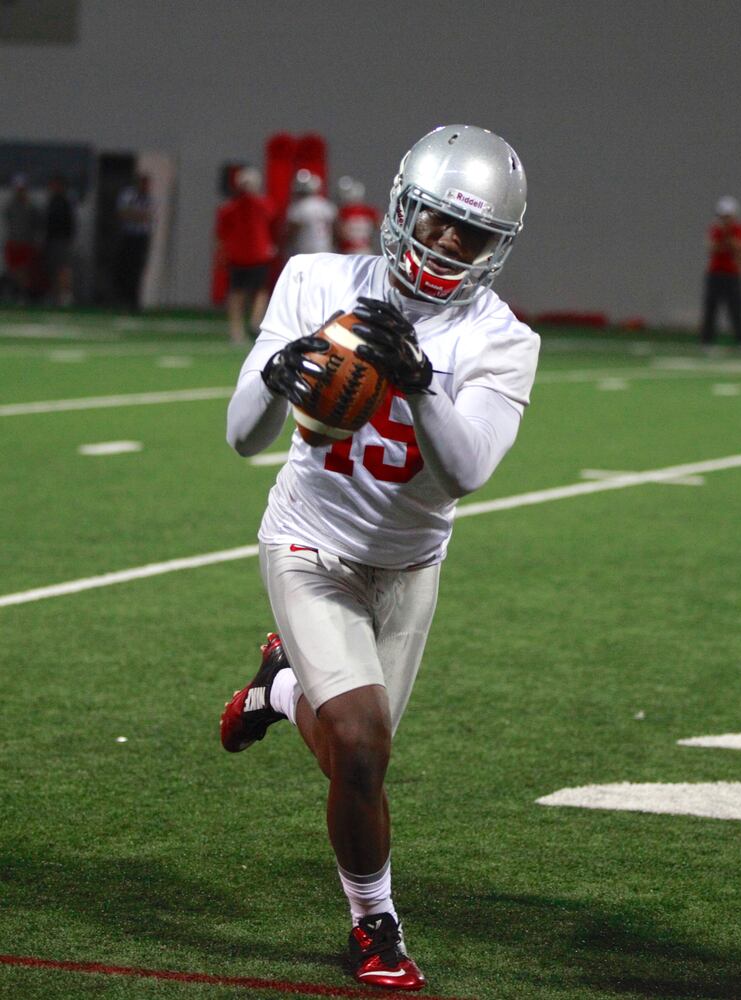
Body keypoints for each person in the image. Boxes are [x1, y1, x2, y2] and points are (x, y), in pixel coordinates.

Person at [220, 125, 537, 991]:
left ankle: (281, 689)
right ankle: (374, 920)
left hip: (407, 565)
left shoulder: (503, 339)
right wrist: (276, 372)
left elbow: (465, 471)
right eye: (434, 219)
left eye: (467, 232)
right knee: (359, 748)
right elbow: (240, 436)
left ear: (494, 248)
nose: (444, 241)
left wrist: (421, 381)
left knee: (353, 755)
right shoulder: (316, 278)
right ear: (401, 208)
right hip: (308, 541)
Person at [216, 167, 276, 343]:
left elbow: (221, 234)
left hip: (237, 255)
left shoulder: (229, 207)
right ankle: (255, 320)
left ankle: (236, 331)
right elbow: (272, 217)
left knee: (237, 293)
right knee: (260, 291)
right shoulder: (264, 204)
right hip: (258, 254)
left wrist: (221, 254)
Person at [700, 195, 741, 349]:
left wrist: (729, 240)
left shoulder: (740, 229)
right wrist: (727, 242)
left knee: (736, 308)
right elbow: (712, 248)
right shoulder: (715, 229)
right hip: (715, 273)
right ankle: (707, 340)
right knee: (711, 307)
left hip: (733, 273)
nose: (725, 219)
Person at [114, 173, 154, 309]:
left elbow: (148, 216)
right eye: (143, 183)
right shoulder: (128, 195)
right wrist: (138, 215)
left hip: (141, 238)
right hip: (128, 236)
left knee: (138, 269)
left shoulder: (148, 198)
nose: (145, 186)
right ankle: (122, 299)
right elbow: (122, 214)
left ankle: (134, 300)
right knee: (125, 268)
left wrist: (134, 214)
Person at [3, 175, 41, 303]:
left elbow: (35, 225)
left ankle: (24, 294)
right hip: (14, 242)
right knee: (13, 270)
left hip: (25, 243)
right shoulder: (10, 206)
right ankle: (15, 293)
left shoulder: (30, 206)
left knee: (24, 271)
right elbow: (10, 223)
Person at [283, 168, 337, 258]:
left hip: (305, 250)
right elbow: (335, 229)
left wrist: (285, 244)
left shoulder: (298, 207)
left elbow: (293, 231)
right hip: (325, 248)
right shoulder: (326, 205)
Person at [42, 176, 77, 306]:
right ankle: (56, 296)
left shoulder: (64, 202)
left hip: (61, 240)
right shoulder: (52, 201)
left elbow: (69, 222)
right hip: (52, 240)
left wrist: (68, 239)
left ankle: (65, 295)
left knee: (63, 268)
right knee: (54, 268)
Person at [336, 176, 381, 254]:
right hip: (364, 248)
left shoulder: (344, 211)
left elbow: (340, 231)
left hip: (349, 249)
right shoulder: (369, 210)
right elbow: (380, 225)